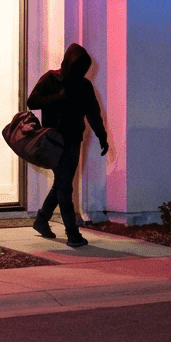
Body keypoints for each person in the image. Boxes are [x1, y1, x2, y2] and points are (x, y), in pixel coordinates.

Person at [26, 43, 109, 247]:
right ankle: (72, 233)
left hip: (74, 140)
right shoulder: (51, 78)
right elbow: (32, 101)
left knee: (62, 183)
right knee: (64, 186)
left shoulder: (84, 85)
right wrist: (57, 98)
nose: (80, 73)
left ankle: (42, 219)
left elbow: (93, 113)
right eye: (78, 68)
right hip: (54, 140)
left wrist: (102, 136)